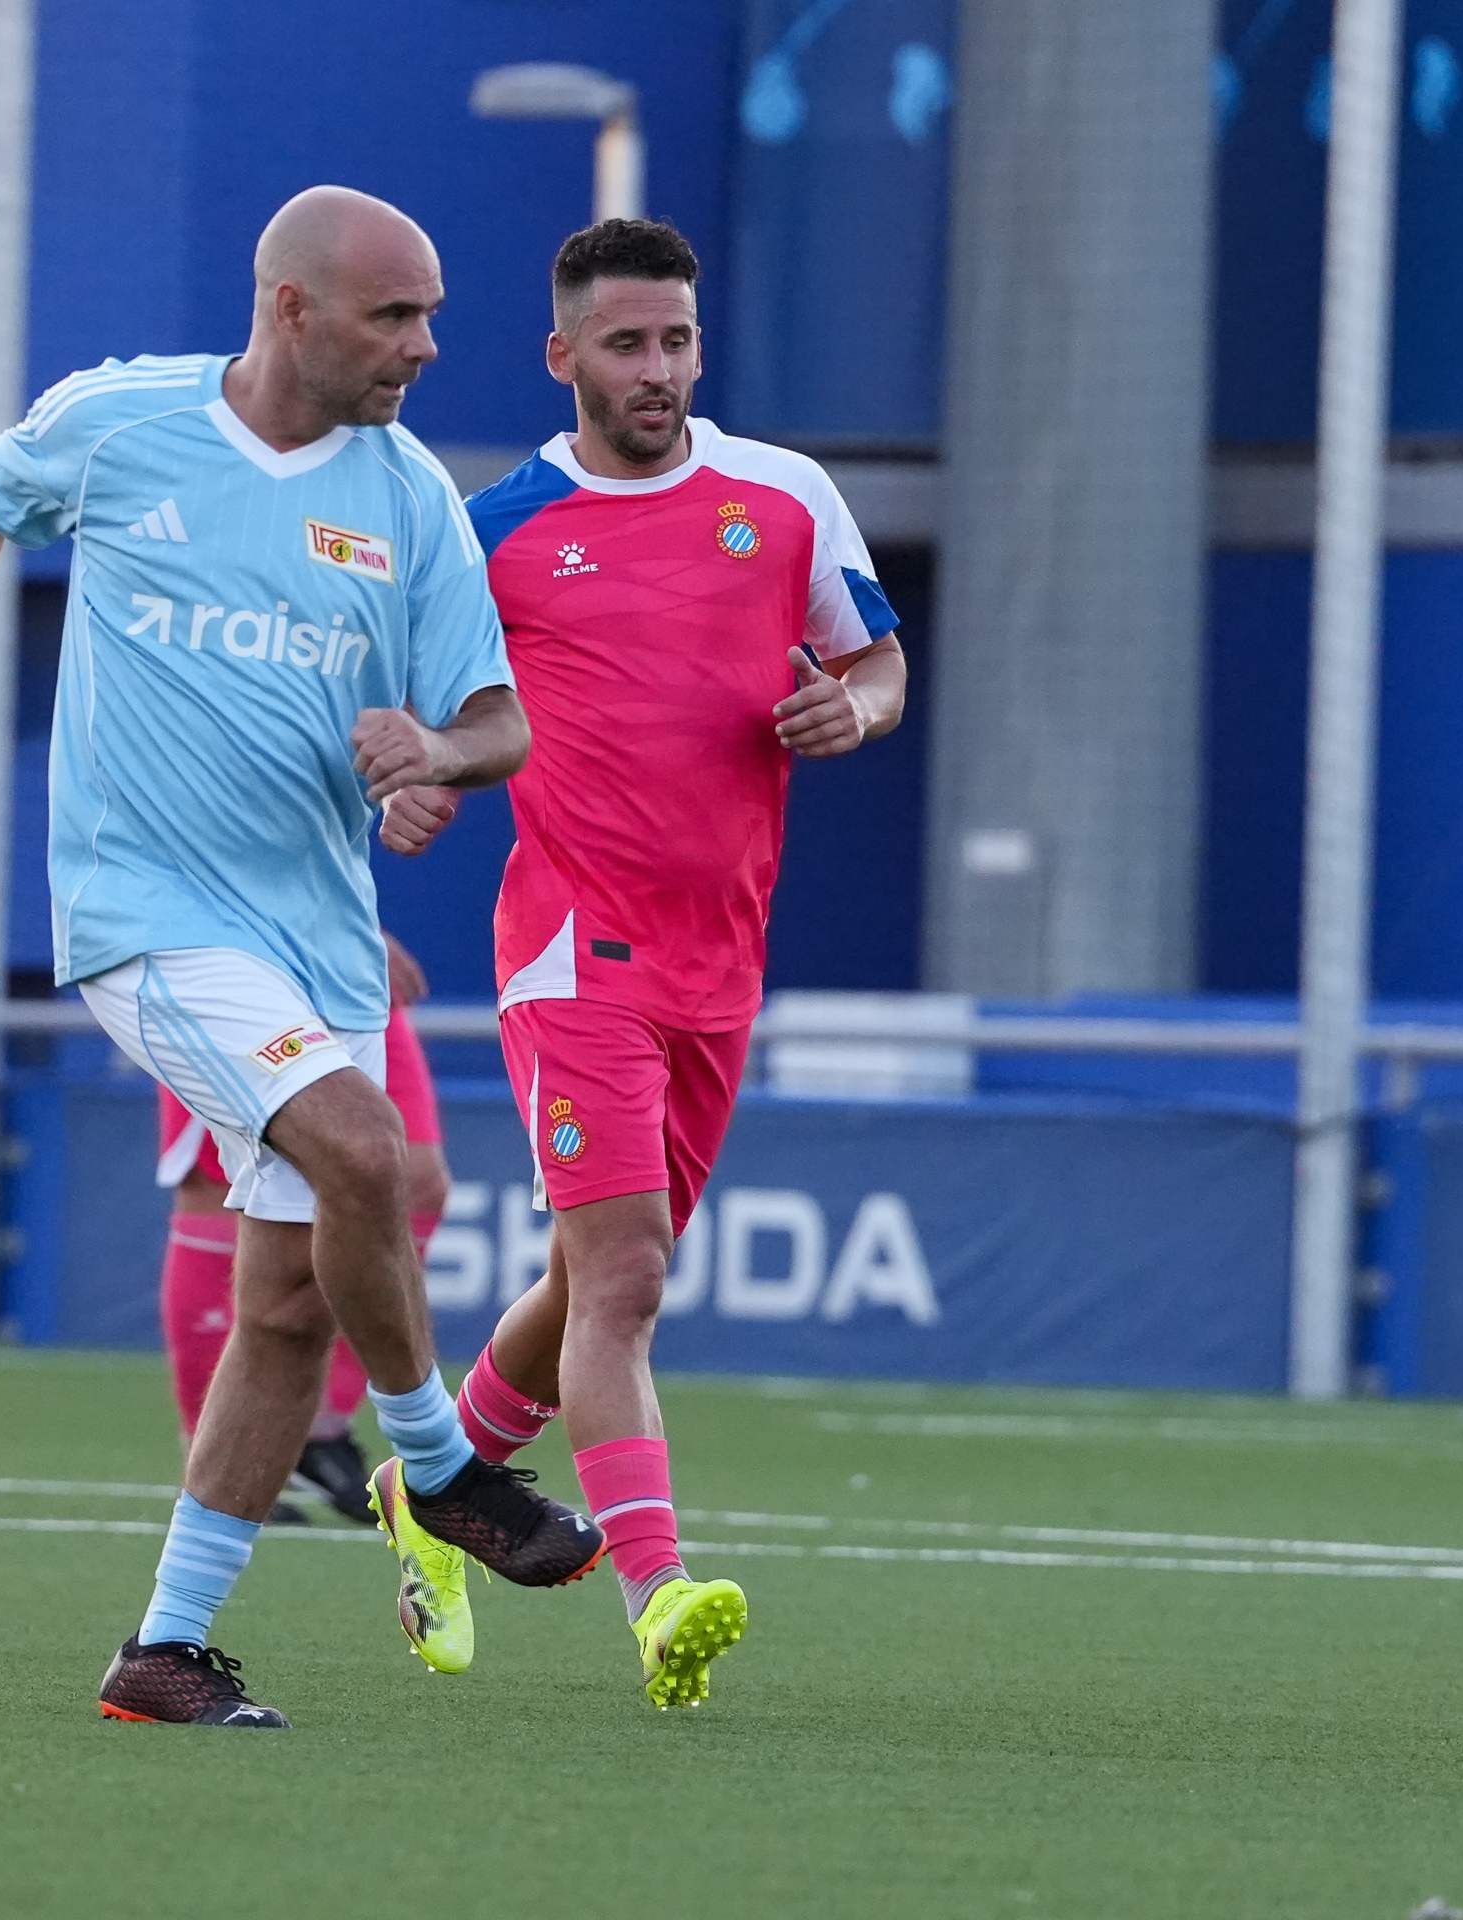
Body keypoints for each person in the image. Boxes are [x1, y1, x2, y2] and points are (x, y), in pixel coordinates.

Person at [0, 186, 603, 1732]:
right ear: (291, 308)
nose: (426, 345)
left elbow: (500, 720)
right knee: (371, 1158)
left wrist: (433, 757)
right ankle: (441, 1461)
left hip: (320, 939)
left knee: (284, 1307)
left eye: (432, 313)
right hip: (147, 919)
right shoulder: (122, 423)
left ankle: (167, 1650)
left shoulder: (407, 495)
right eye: (396, 315)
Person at [375, 218, 908, 1708]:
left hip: (720, 962)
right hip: (571, 950)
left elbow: (876, 662)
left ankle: (437, 1479)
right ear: (563, 359)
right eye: (626, 343)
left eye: (675, 339)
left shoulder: (783, 497)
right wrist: (419, 777)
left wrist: (852, 713)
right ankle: (659, 1591)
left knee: (592, 1272)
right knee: (626, 1280)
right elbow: (423, 712)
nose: (658, 368)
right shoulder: (494, 531)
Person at [153, 928, 455, 1525]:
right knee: (223, 1184)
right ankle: (212, 1457)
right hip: (227, 946)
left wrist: (354, 924)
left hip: (337, 950)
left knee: (412, 1179)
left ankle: (315, 1429)